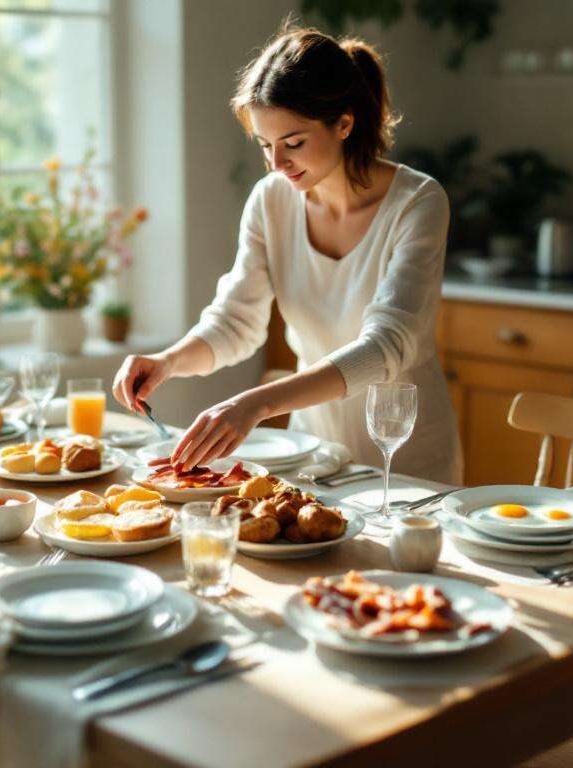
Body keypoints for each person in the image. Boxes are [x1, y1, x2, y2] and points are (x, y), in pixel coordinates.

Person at [112, 26, 461, 485]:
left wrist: (255, 403)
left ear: (344, 123)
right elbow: (236, 321)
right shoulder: (272, 200)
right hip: (316, 460)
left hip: (407, 463)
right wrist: (169, 361)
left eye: (293, 143)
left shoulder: (417, 201)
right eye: (265, 145)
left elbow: (387, 347)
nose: (277, 164)